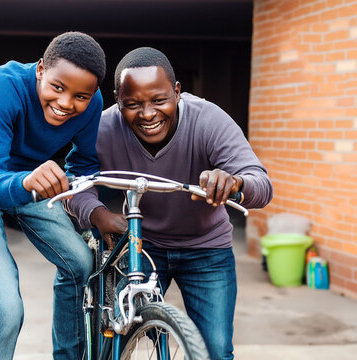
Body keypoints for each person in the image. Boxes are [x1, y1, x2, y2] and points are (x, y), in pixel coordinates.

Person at [66, 47, 273, 360]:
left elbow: (261, 183)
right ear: (118, 100)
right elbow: (74, 181)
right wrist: (95, 213)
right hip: (140, 246)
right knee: (119, 338)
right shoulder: (102, 128)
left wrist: (235, 183)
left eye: (159, 100)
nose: (148, 114)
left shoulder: (209, 121)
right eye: (132, 104)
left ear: (177, 92)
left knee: (215, 350)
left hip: (207, 250)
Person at [0, 32, 106, 360]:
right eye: (58, 88)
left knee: (80, 264)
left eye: (81, 96)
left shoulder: (91, 105)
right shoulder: (2, 86)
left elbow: (83, 166)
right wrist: (28, 181)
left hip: (29, 175)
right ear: (41, 69)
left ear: (94, 92)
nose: (66, 104)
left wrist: (94, 212)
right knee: (2, 307)